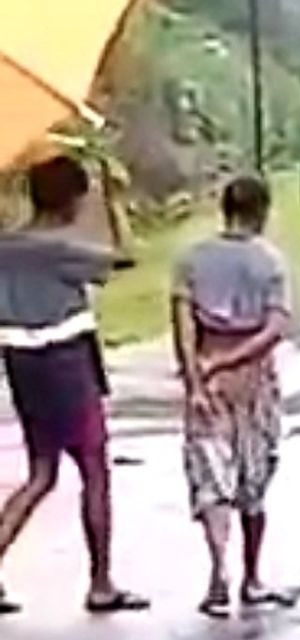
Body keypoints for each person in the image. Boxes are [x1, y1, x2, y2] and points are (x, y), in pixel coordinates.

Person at [0, 156, 149, 615]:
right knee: (94, 471)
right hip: (66, 362)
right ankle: (101, 582)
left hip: (21, 361)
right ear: (72, 201)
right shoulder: (60, 248)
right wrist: (118, 201)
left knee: (42, 472)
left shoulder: (6, 245)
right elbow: (125, 257)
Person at [171, 174, 293, 618]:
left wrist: (196, 378)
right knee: (253, 481)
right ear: (262, 211)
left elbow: (182, 324)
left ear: (225, 209)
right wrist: (230, 364)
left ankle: (219, 568)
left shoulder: (191, 258)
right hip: (253, 379)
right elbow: (275, 328)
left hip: (207, 369)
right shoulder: (271, 262)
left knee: (211, 478)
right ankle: (252, 577)